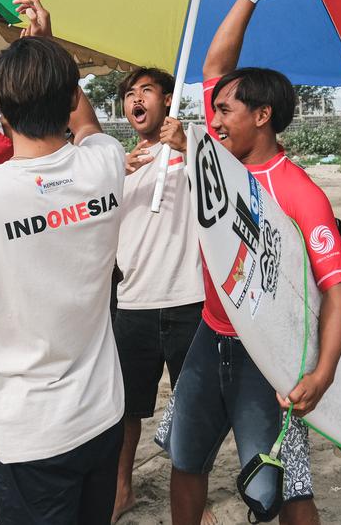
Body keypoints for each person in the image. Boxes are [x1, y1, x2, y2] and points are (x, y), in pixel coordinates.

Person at [159, 0, 341, 525]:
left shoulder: (300, 196)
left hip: (269, 355)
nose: (213, 120)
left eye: (225, 110)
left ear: (263, 116)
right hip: (210, 333)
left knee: (281, 488)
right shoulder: (222, 160)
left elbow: (338, 289)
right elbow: (217, 61)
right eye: (214, 109)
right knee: (186, 460)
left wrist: (323, 374)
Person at [0, 0, 126, 524]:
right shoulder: (105, 164)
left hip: (29, 430)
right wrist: (48, 44)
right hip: (103, 412)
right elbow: (87, 129)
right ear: (70, 98)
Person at [111, 67, 204, 523]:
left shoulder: (196, 153)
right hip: (131, 303)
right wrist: (112, 177)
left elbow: (226, 188)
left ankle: (193, 498)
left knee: (191, 405)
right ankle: (121, 489)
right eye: (129, 94)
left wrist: (187, 146)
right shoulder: (118, 165)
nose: (136, 100)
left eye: (146, 91)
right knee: (127, 409)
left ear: (167, 100)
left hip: (187, 299)